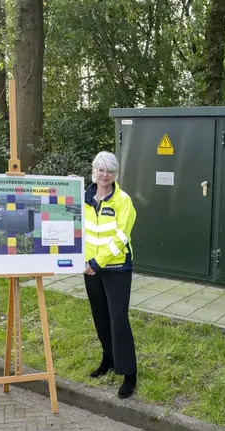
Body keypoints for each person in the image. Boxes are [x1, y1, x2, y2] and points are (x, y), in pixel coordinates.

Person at [83, 151, 138, 398]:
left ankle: (129, 373)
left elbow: (121, 237)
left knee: (118, 318)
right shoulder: (83, 198)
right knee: (100, 316)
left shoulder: (123, 201)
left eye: (110, 171)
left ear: (116, 175)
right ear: (93, 171)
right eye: (101, 169)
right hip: (90, 268)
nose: (105, 175)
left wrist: (98, 261)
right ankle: (108, 359)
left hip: (116, 268)